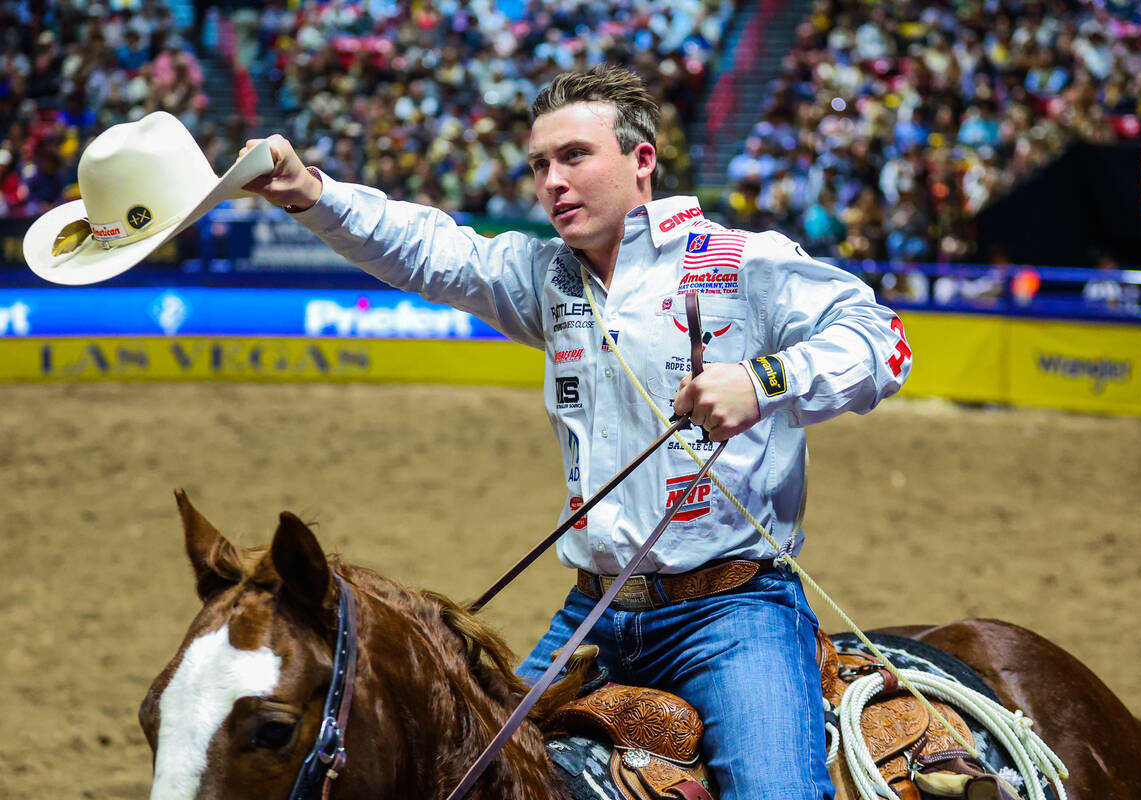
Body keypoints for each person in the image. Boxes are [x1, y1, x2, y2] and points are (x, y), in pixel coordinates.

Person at [241, 65, 913, 800]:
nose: (552, 181)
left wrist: (763, 382)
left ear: (642, 160)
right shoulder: (547, 277)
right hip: (594, 615)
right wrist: (312, 193)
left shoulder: (739, 261)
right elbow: (430, 249)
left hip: (734, 612)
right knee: (467, 778)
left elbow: (883, 340)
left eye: (574, 157)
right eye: (539, 165)